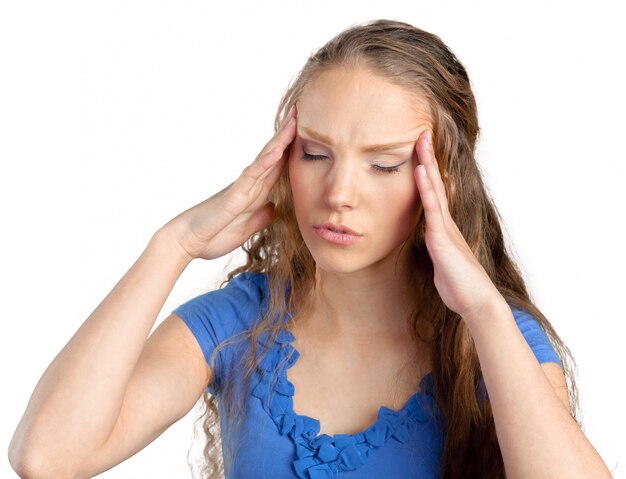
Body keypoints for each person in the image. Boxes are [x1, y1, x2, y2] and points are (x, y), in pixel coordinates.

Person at [8, 19, 612, 479]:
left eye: (384, 164)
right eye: (315, 154)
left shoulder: (496, 340)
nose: (339, 193)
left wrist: (482, 309)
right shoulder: (238, 323)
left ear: (443, 180)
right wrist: (174, 245)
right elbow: (47, 457)